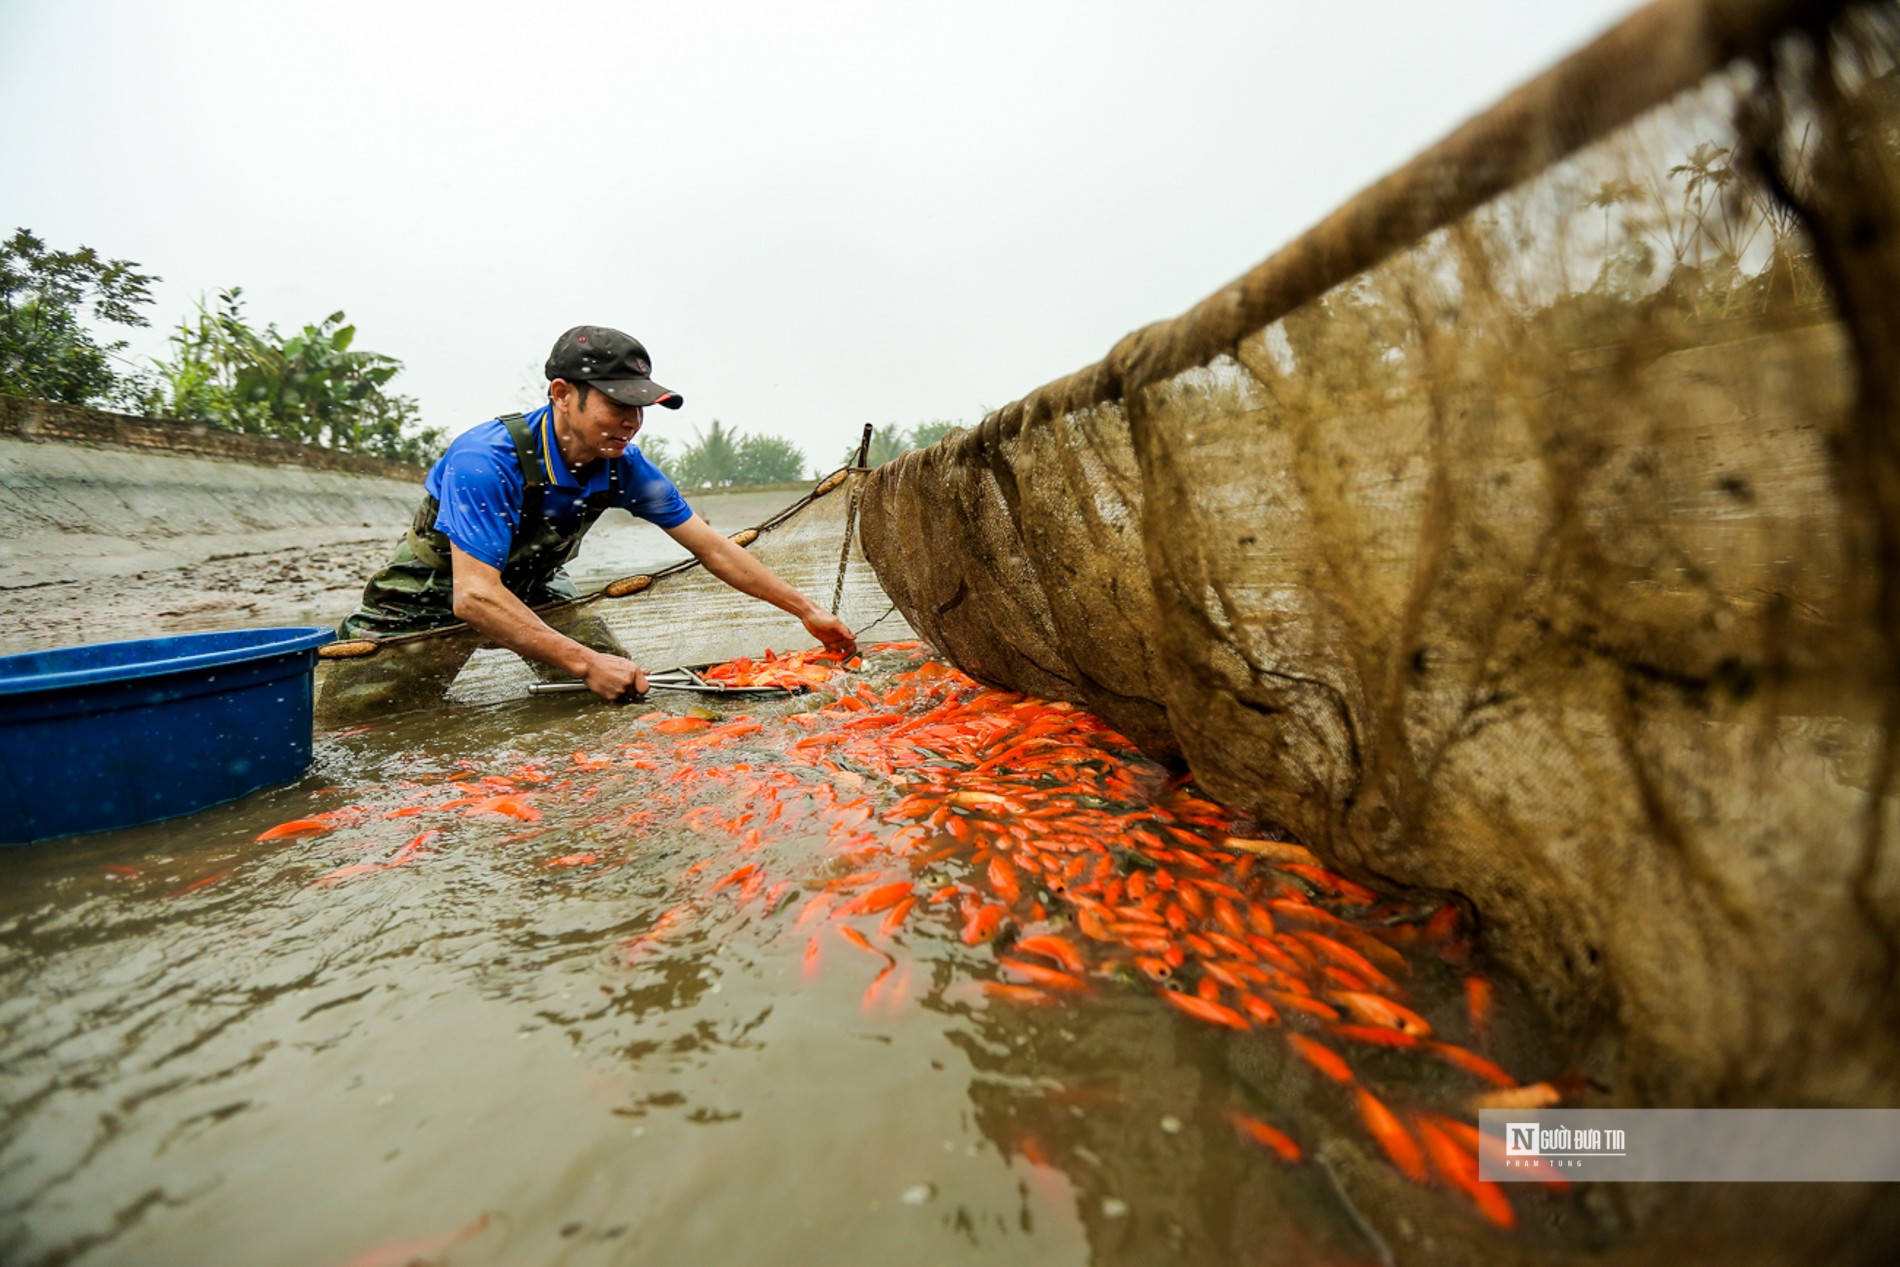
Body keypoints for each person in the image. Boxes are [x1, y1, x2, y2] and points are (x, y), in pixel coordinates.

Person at [323, 325, 855, 712]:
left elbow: (712, 549)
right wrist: (582, 662)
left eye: (640, 408)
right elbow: (474, 596)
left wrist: (806, 611)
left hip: (534, 591)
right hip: (425, 598)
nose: (630, 423)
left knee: (620, 692)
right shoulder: (484, 460)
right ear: (561, 394)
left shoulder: (624, 467)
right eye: (616, 404)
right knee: (359, 724)